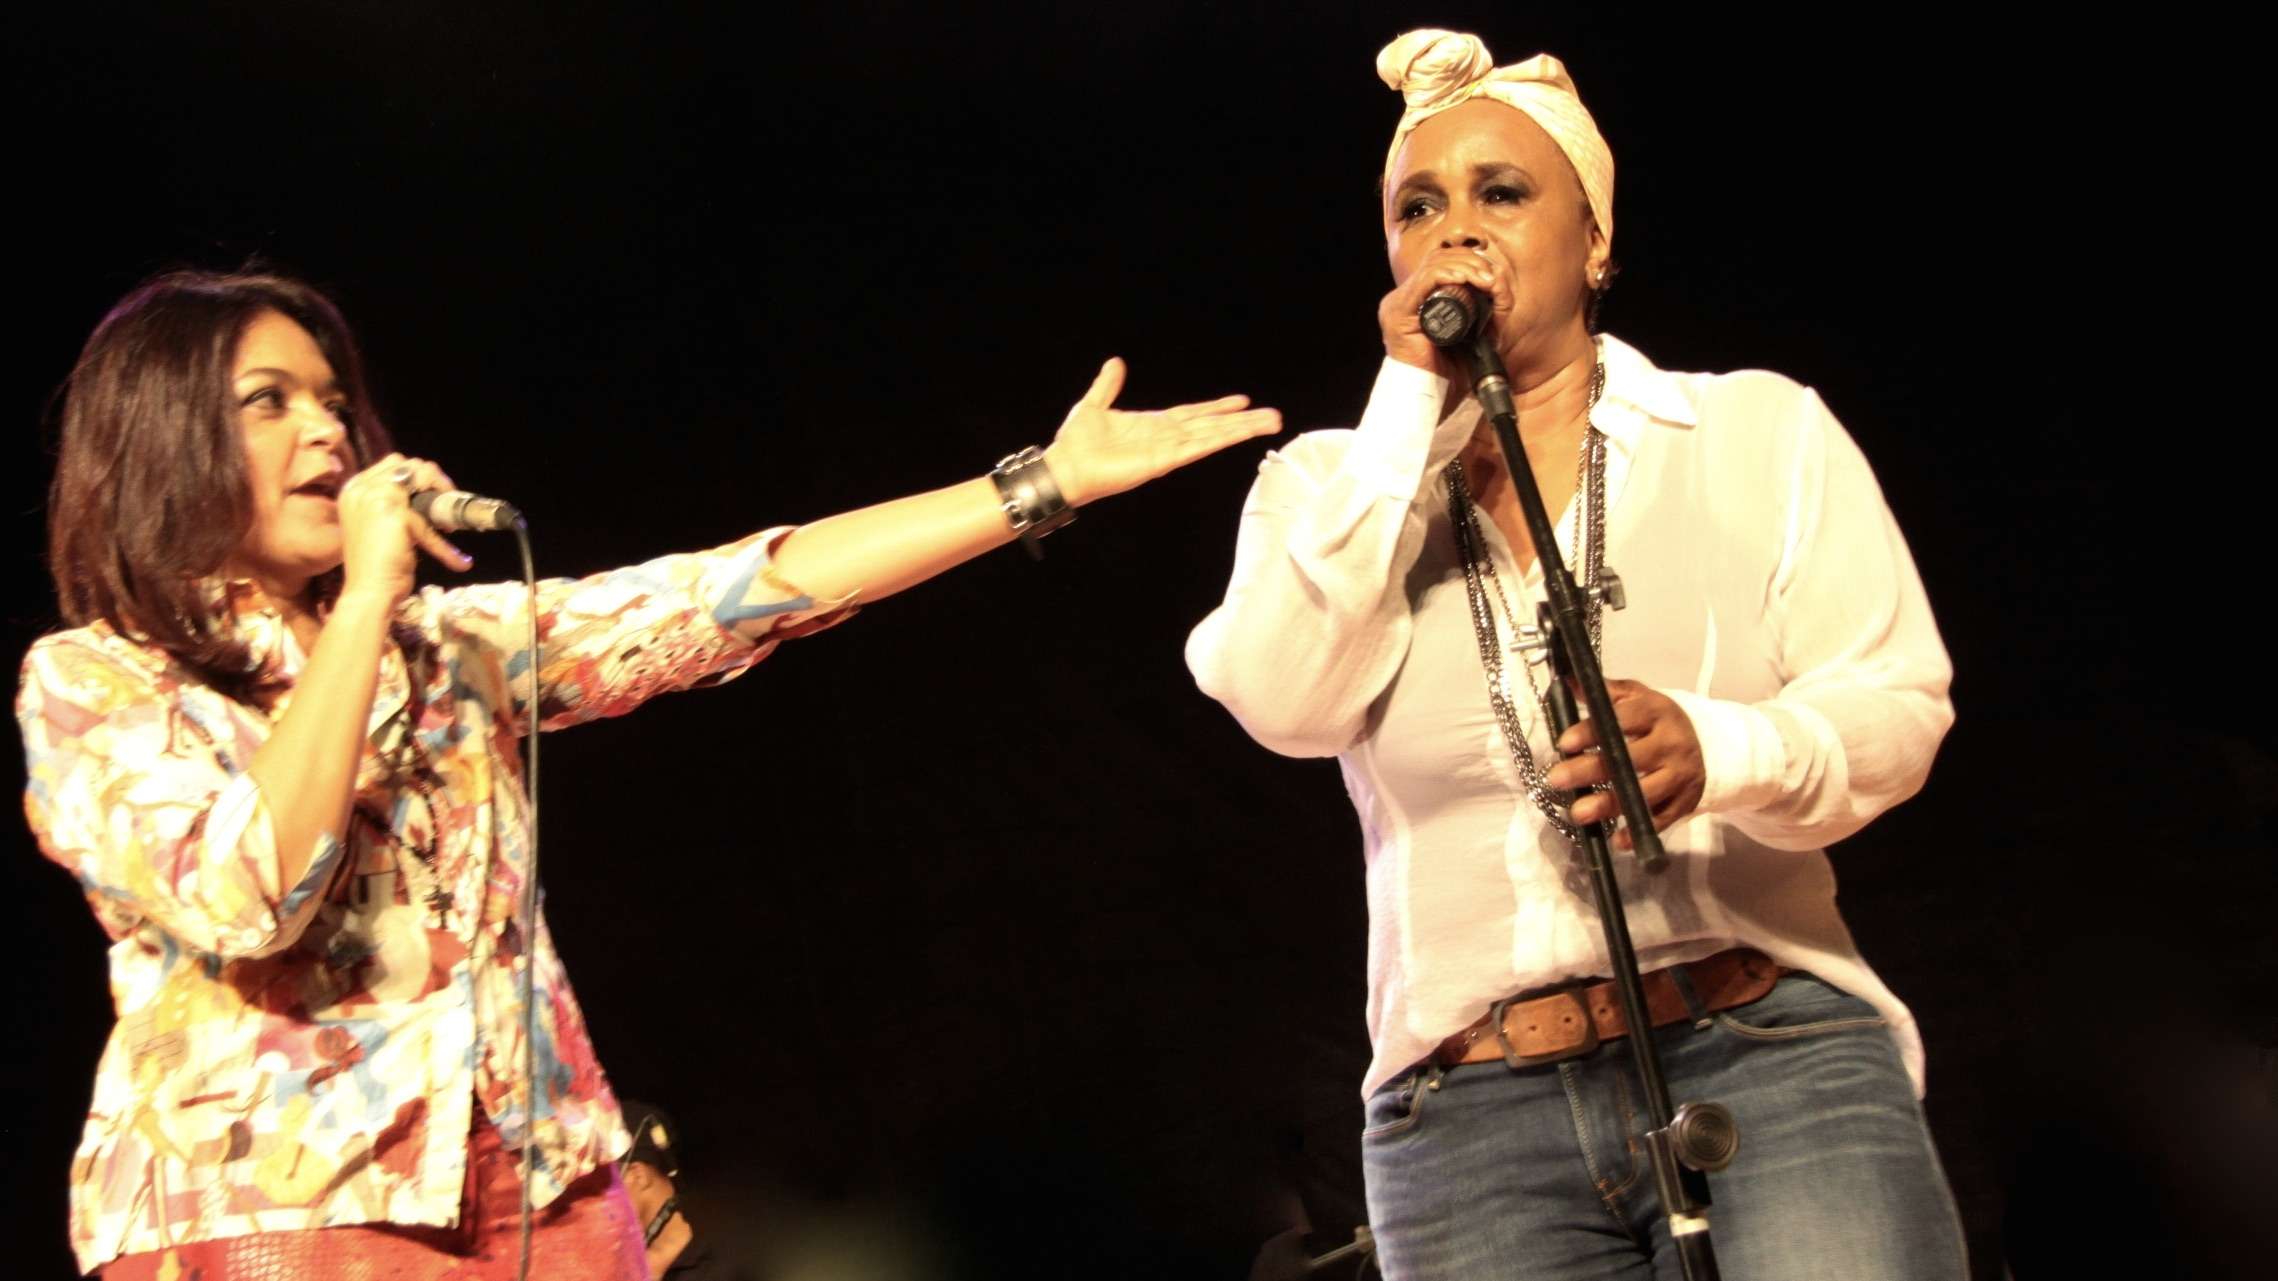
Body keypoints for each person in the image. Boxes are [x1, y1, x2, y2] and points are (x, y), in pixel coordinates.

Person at [17, 267, 1279, 1278]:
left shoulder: (451, 651)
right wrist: (359, 610)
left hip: (547, 1212)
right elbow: (251, 895)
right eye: (269, 401)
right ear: (161, 437)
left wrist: (1038, 485)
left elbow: (733, 594)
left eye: (333, 398)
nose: (328, 427)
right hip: (273, 1225)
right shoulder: (96, 682)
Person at [1187, 29, 1965, 1281]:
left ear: (1595, 241)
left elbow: (1895, 709)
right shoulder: (1329, 485)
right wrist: (1405, 408)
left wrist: (1720, 749)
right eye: (1417, 208)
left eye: (1500, 193)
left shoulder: (1753, 430)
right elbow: (1285, 701)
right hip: (1468, 1119)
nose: (1455, 230)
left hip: (1763, 1052)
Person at [612, 1100, 755, 1281]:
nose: (584, 1205)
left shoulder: (722, 1264)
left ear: (637, 1176)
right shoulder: (613, 1263)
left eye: (594, 1189)